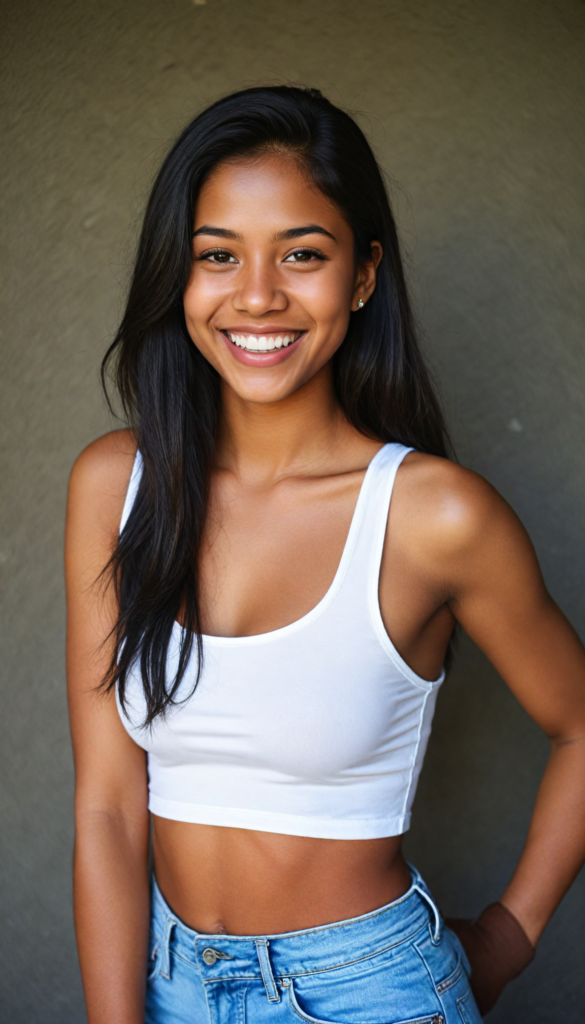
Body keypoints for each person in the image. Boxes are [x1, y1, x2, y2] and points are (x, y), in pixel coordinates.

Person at [65, 86, 585, 1024]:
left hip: (367, 990)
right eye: (216, 255)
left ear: (362, 274)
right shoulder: (116, 485)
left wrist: (508, 935)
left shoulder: (434, 517)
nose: (256, 295)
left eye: (301, 254)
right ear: (177, 278)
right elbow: (106, 804)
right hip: (164, 979)